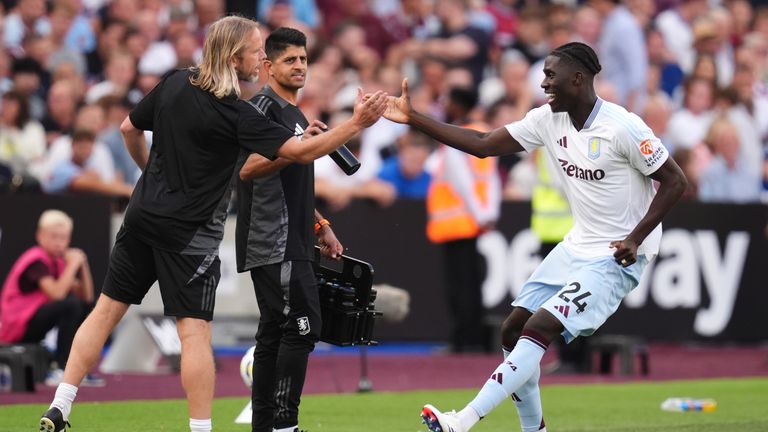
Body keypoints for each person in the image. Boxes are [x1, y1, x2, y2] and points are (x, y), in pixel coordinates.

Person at [39, 16, 387, 432]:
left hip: (142, 217)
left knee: (105, 311)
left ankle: (61, 404)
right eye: (257, 50)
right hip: (190, 234)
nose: (262, 57)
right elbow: (297, 153)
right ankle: (201, 429)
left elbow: (128, 128)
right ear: (233, 56)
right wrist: (356, 124)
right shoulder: (236, 113)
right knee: (194, 335)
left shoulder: (174, 82)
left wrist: (149, 174)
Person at [382, 42, 687, 432]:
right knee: (512, 328)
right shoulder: (548, 119)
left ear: (578, 78)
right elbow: (482, 144)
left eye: (549, 75)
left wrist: (635, 237)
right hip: (578, 244)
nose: (543, 83)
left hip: (616, 253)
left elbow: (676, 181)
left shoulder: (623, 127)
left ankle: (462, 420)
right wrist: (414, 119)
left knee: (540, 327)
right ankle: (535, 429)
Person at [234, 27, 345, 432]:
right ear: (267, 66)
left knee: (273, 335)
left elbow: (291, 186)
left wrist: (320, 224)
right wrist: (294, 148)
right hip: (273, 239)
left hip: (293, 237)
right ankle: (285, 425)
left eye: (302, 59)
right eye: (289, 60)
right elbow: (245, 170)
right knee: (302, 328)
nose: (299, 66)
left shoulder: (294, 114)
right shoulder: (260, 108)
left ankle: (264, 426)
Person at [427, 86, 501, 353]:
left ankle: (463, 340)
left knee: (460, 285)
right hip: (473, 220)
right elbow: (489, 179)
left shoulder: (457, 136)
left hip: (458, 221)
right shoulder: (485, 132)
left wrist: (479, 214)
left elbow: (462, 181)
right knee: (471, 281)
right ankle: (471, 338)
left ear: (458, 106)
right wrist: (488, 214)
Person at [0, 210, 99, 385]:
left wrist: (83, 266)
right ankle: (61, 369)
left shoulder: (58, 263)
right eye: (53, 237)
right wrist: (73, 264)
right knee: (70, 306)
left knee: (82, 307)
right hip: (16, 327)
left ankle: (75, 367)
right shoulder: (35, 259)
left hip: (32, 322)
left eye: (63, 238)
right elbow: (57, 294)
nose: (59, 243)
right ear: (40, 235)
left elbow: (87, 297)